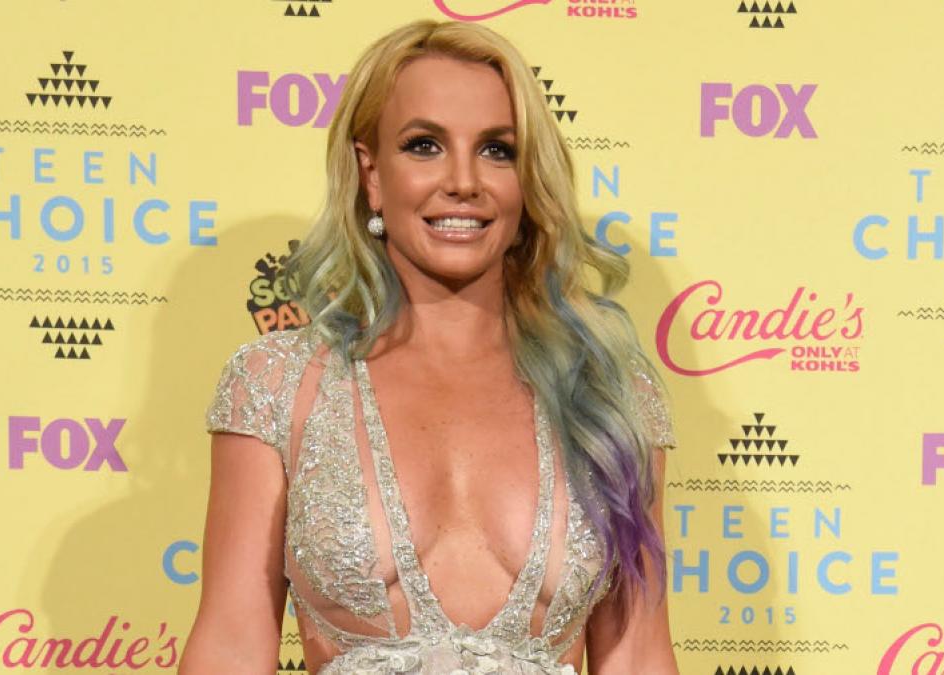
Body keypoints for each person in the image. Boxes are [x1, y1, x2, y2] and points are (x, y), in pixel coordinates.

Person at [180, 19, 678, 675]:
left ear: (528, 180)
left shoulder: (610, 393)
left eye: (497, 150)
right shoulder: (275, 383)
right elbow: (231, 647)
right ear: (371, 174)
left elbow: (638, 655)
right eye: (424, 146)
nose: (464, 181)